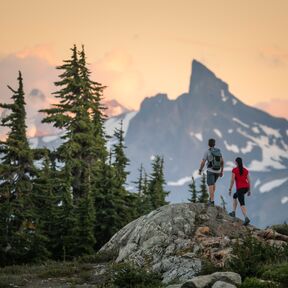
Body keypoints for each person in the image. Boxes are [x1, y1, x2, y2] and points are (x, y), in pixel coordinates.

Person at [198, 138, 224, 206]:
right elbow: (222, 161)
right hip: (218, 171)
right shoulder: (218, 151)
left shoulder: (207, 151)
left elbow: (203, 162)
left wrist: (200, 170)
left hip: (211, 170)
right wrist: (221, 171)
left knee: (210, 185)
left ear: (208, 144)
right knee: (213, 184)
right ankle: (210, 199)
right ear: (214, 144)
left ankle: (212, 201)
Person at [228, 157, 251, 226]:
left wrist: (230, 189)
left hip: (240, 189)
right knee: (235, 196)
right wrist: (249, 190)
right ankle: (233, 212)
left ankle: (246, 218)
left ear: (236, 162)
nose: (235, 163)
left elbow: (232, 180)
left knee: (242, 203)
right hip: (246, 188)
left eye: (235, 162)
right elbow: (249, 181)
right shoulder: (245, 170)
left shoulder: (234, 170)